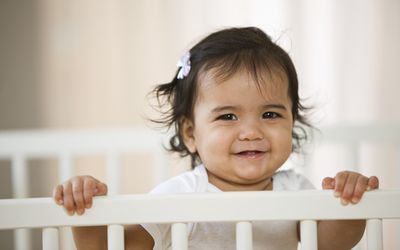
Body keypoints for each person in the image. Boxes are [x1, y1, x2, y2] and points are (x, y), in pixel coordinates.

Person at [53, 27, 379, 250]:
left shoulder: (294, 190)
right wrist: (88, 215)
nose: (251, 132)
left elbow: (331, 243)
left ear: (292, 122)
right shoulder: (181, 196)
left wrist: (348, 203)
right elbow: (117, 246)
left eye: (270, 114)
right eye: (227, 116)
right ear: (191, 134)